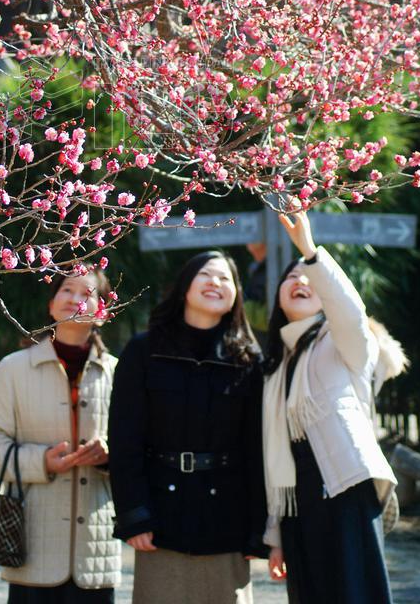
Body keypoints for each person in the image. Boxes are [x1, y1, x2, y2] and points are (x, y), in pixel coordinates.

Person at [262, 210, 408, 604]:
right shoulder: (276, 368)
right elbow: (274, 458)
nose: (300, 281)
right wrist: (276, 537)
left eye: (308, 278)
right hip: (299, 505)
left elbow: (350, 312)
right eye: (291, 277)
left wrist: (309, 253)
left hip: (345, 488)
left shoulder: (346, 345)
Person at [108, 250, 267, 604]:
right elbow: (124, 440)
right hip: (160, 517)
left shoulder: (249, 359)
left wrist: (260, 527)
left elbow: (257, 448)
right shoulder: (144, 351)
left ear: (236, 295)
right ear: (185, 286)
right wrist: (134, 514)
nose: (216, 283)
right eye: (207, 274)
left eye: (226, 278)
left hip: (228, 518)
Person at [0, 269, 121, 603]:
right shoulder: (13, 368)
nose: (75, 299)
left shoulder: (119, 372)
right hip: (32, 543)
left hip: (95, 552)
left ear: (103, 312)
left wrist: (110, 456)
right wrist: (41, 461)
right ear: (51, 304)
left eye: (88, 292)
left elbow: (142, 446)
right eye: (66, 290)